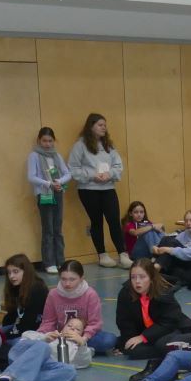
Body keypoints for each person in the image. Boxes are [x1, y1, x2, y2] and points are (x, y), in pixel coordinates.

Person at [93, 259, 191, 365]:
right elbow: (124, 321)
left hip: (173, 329)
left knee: (161, 345)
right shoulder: (125, 293)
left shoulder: (163, 292)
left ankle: (188, 342)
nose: (137, 281)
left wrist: (143, 337)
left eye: (142, 277)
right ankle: (159, 349)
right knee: (130, 349)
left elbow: (169, 322)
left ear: (151, 278)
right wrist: (129, 340)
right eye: (133, 277)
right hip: (148, 331)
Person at [67, 113, 126, 267]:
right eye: (100, 125)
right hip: (89, 190)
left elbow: (118, 165)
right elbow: (73, 169)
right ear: (91, 126)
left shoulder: (109, 146)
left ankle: (122, 254)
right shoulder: (80, 145)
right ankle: (103, 255)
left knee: (114, 220)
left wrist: (109, 174)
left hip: (108, 188)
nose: (103, 128)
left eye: (105, 125)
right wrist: (92, 175)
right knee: (97, 222)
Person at [26, 126, 70, 272]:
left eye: (50, 141)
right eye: (44, 141)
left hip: (57, 192)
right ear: (39, 140)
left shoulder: (56, 155)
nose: (47, 144)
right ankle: (49, 262)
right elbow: (31, 176)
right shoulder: (34, 156)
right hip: (44, 193)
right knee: (48, 229)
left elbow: (67, 173)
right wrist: (48, 183)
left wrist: (59, 182)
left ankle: (60, 261)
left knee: (58, 228)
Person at [38, 261, 104, 352]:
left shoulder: (90, 294)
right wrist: (46, 335)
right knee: (35, 339)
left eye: (72, 279)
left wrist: (83, 339)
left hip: (84, 336)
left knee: (108, 340)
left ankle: (75, 347)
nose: (67, 283)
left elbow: (95, 323)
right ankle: (77, 348)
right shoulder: (53, 294)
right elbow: (48, 321)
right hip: (61, 336)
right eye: (63, 279)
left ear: (81, 278)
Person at [150, 209, 191, 291]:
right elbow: (169, 243)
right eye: (186, 221)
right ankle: (156, 268)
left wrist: (168, 250)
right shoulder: (184, 234)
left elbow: (189, 254)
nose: (188, 223)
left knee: (171, 245)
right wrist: (157, 249)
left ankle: (155, 268)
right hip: (186, 266)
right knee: (166, 239)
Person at [0, 254, 49, 339]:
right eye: (9, 272)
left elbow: (29, 323)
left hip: (33, 332)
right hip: (20, 327)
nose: (11, 276)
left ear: (26, 271)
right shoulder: (16, 286)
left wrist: (5, 336)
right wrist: (2, 330)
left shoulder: (37, 288)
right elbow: (12, 315)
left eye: (15, 271)